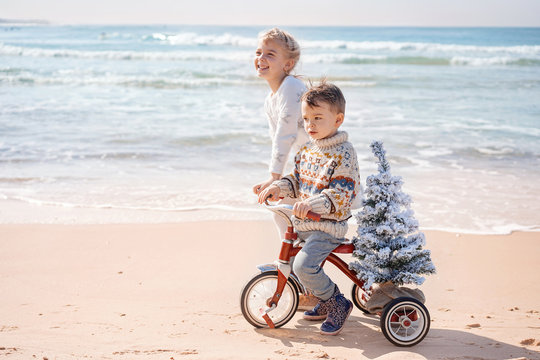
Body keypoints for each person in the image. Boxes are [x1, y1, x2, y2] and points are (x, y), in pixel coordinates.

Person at [257, 81, 361, 335]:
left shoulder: (344, 153)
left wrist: (311, 203)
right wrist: (278, 188)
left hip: (328, 226)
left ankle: (337, 302)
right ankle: (324, 301)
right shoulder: (306, 150)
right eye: (305, 119)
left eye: (318, 118)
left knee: (304, 266)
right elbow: (296, 181)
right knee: (293, 260)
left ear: (338, 120)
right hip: (306, 224)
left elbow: (340, 194)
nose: (310, 125)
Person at [252, 28, 309, 240]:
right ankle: (291, 266)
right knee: (283, 214)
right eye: (258, 52)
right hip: (300, 168)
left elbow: (285, 136)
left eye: (270, 54)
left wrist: (275, 177)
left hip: (317, 165)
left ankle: (296, 265)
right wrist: (277, 178)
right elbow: (277, 140)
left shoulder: (291, 86)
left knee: (286, 214)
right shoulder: (271, 98)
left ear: (288, 64)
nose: (261, 58)